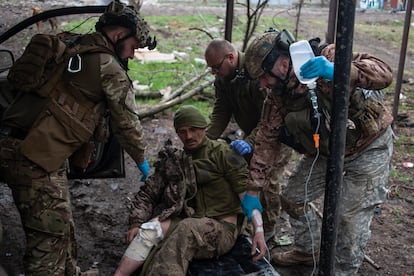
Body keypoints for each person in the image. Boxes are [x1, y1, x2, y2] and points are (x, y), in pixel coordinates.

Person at [0, 1, 155, 274]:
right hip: (36, 159)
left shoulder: (69, 44)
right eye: (133, 47)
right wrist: (143, 161)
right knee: (48, 240)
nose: (131, 55)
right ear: (119, 35)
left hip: (14, 146)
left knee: (62, 224)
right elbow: (127, 124)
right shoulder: (109, 67)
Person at [243, 28, 393, 274]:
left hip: (368, 148)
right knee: (292, 198)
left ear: (282, 64)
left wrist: (340, 71)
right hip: (327, 154)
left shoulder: (327, 56)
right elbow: (267, 140)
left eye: (263, 76)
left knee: (347, 220)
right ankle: (307, 250)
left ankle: (342, 271)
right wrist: (253, 189)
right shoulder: (278, 96)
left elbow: (384, 73)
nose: (262, 84)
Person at [114, 105, 267, 276]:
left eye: (194, 130)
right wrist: (136, 222)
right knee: (149, 230)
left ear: (204, 128)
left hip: (222, 229)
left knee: (187, 229)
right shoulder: (176, 160)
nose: (189, 136)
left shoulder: (223, 153)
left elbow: (247, 197)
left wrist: (258, 231)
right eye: (182, 132)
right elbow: (148, 193)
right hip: (189, 219)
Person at [204, 38, 292, 241]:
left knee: (268, 182)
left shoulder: (257, 73)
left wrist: (251, 143)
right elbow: (221, 111)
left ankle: (268, 229)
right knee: (243, 175)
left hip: (276, 136)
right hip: (251, 135)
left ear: (231, 57)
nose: (214, 73)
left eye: (216, 67)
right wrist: (206, 139)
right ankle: (246, 220)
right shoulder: (224, 79)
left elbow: (269, 120)